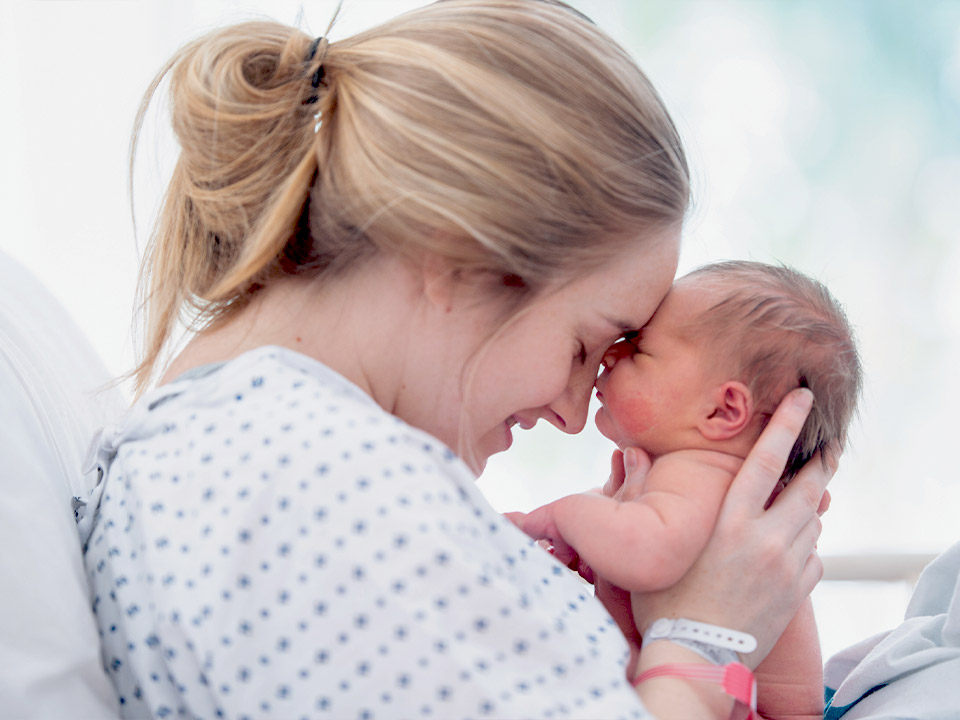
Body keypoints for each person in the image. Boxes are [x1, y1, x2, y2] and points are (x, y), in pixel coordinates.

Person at [77, 2, 835, 718]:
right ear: (459, 254)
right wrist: (707, 639)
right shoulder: (312, 483)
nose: (577, 415)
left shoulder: (268, 453)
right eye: (583, 346)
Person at [510, 260, 862, 717]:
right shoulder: (700, 481)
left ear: (722, 411)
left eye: (639, 348)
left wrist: (562, 518)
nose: (609, 356)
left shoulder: (704, 474)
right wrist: (598, 547)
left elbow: (649, 553)